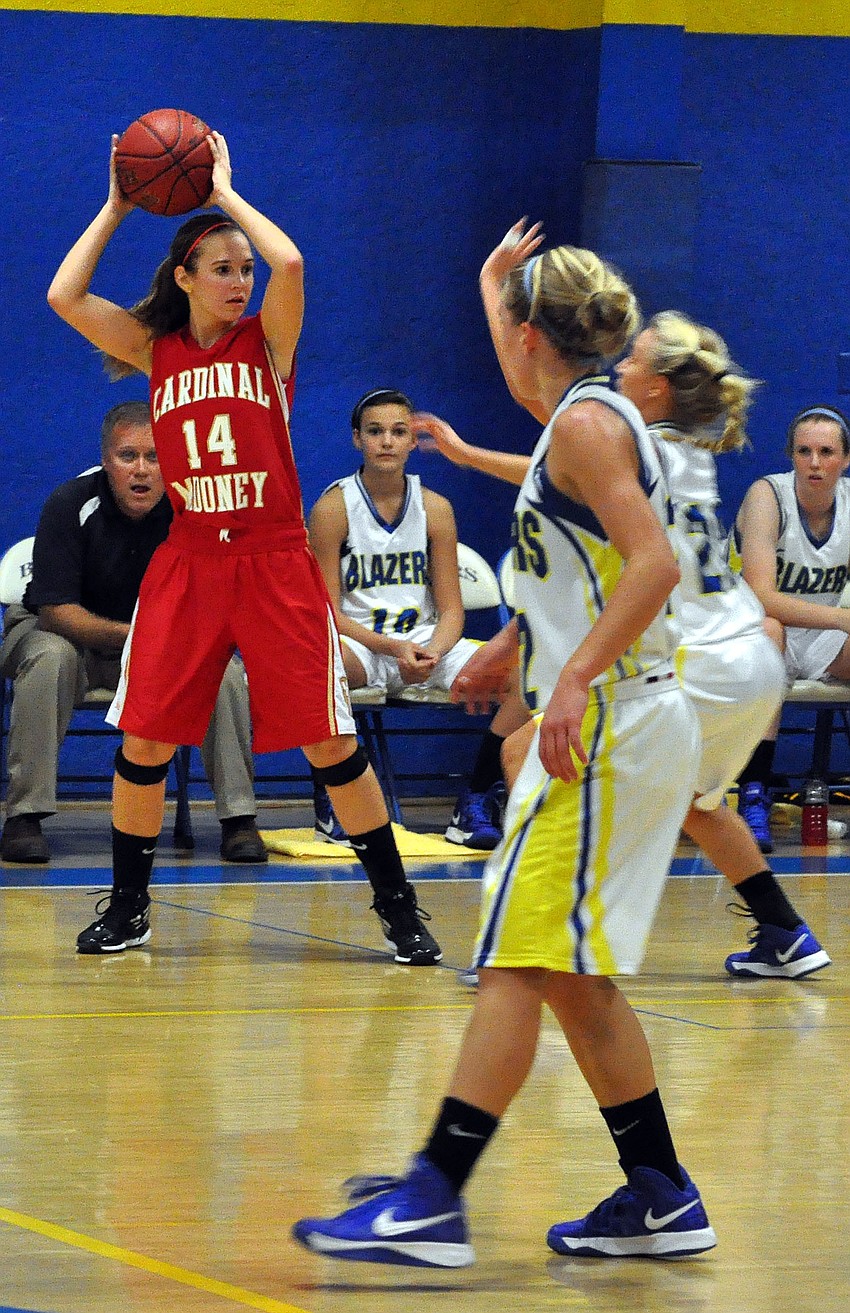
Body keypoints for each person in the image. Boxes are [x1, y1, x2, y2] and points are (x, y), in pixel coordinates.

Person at [292, 222, 715, 1266]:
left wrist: (564, 673)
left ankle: (435, 1194)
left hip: (609, 722)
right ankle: (660, 1189)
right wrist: (522, 642)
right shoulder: (579, 409)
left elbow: (652, 564)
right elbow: (593, 561)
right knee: (569, 972)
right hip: (621, 715)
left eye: (508, 326)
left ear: (532, 335)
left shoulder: (585, 427)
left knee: (516, 960)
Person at [46, 131, 441, 965]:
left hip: (272, 557)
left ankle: (399, 908)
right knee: (145, 740)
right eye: (221, 269)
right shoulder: (158, 349)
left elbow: (291, 263)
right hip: (190, 559)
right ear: (185, 277)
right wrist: (121, 204)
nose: (241, 280)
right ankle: (129, 907)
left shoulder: (268, 341)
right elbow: (64, 293)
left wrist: (225, 192)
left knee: (330, 743)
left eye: (242, 269)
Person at [419, 313, 831, 981]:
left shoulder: (638, 450)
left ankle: (527, 941)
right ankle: (785, 932)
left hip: (699, 658)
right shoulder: (683, 449)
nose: (619, 369)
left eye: (634, 361)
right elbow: (551, 454)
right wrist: (470, 449)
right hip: (750, 660)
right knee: (699, 805)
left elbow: (562, 473)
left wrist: (506, 639)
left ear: (658, 388)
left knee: (529, 751)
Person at [0, 401, 265, 866]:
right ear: (107, 461)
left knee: (223, 670)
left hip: (155, 643)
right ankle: (25, 817)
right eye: (128, 456)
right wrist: (142, 636)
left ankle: (238, 820)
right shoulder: (69, 503)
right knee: (48, 657)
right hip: (67, 635)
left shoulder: (194, 514)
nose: (141, 470)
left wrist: (172, 640)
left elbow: (216, 605)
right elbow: (56, 613)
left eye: (155, 457)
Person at [306, 387, 529, 851]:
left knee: (526, 675)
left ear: (412, 442)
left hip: (426, 642)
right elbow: (326, 611)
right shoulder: (332, 509)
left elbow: (451, 609)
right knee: (317, 671)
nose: (387, 441)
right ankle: (337, 799)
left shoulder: (435, 508)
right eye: (375, 431)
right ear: (356, 440)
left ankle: (475, 799)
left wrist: (435, 651)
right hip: (363, 642)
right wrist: (392, 649)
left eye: (398, 431)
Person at [734, 405, 850, 852]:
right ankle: (754, 792)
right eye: (804, 451)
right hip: (746, 630)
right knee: (769, 630)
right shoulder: (767, 496)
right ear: (791, 456)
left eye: (826, 452)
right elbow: (760, 596)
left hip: (818, 635)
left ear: (845, 459)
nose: (815, 463)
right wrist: (841, 617)